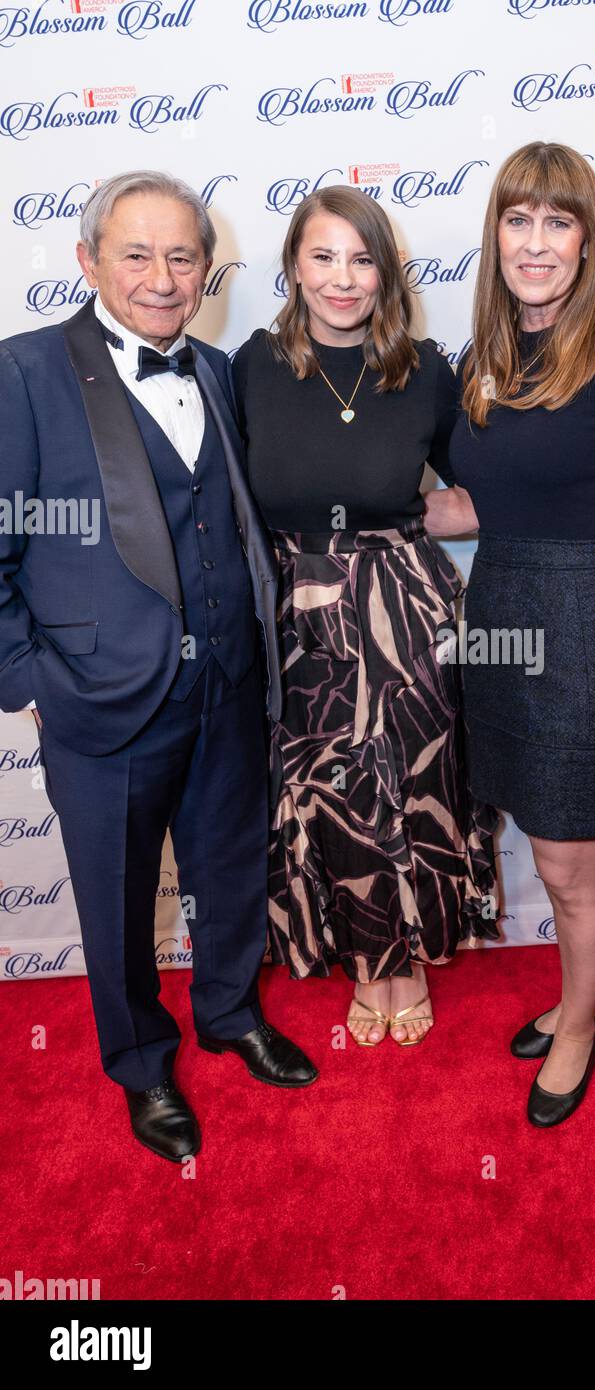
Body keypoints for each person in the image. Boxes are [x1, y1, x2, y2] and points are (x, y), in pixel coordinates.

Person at [0, 171, 318, 1164]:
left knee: (230, 870)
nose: (162, 276)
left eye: (182, 255)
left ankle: (229, 1010)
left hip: (227, 683)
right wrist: (33, 680)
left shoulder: (222, 370)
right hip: (101, 700)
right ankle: (141, 1063)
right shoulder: (24, 373)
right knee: (117, 891)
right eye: (135, 254)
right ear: (89, 260)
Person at [426, 142, 595, 1126]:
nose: (536, 242)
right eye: (518, 219)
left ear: (588, 242)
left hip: (586, 622)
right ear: (495, 233)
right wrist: (344, 518)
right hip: (499, 615)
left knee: (575, 858)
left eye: (559, 221)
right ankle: (594, 989)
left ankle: (579, 1024)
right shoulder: (481, 361)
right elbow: (470, 504)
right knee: (548, 846)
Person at [232, 187, 500, 1047]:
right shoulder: (252, 367)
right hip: (296, 611)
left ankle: (407, 961)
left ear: (385, 270)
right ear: (293, 267)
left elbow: (487, 487)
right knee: (329, 787)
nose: (342, 279)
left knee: (408, 785)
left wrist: (407, 520)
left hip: (406, 609)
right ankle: (364, 958)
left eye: (361, 258)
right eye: (322, 257)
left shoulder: (422, 367)